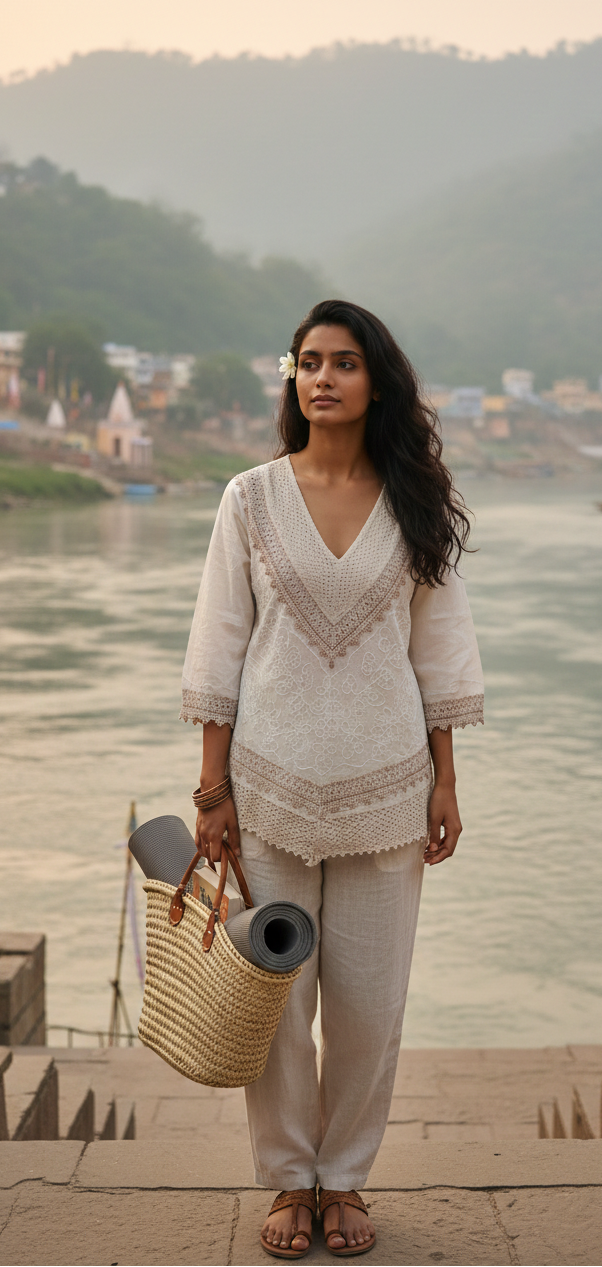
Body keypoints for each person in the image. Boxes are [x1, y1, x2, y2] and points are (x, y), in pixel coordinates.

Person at [181, 299, 484, 1258]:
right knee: (276, 1005)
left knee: (369, 1004)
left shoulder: (416, 505)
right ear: (293, 377)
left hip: (390, 790)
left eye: (344, 362)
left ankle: (344, 1179)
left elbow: (438, 652)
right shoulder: (249, 498)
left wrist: (446, 778)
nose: (321, 377)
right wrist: (211, 791)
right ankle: (286, 1181)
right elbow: (221, 646)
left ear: (376, 381)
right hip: (265, 791)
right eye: (308, 360)